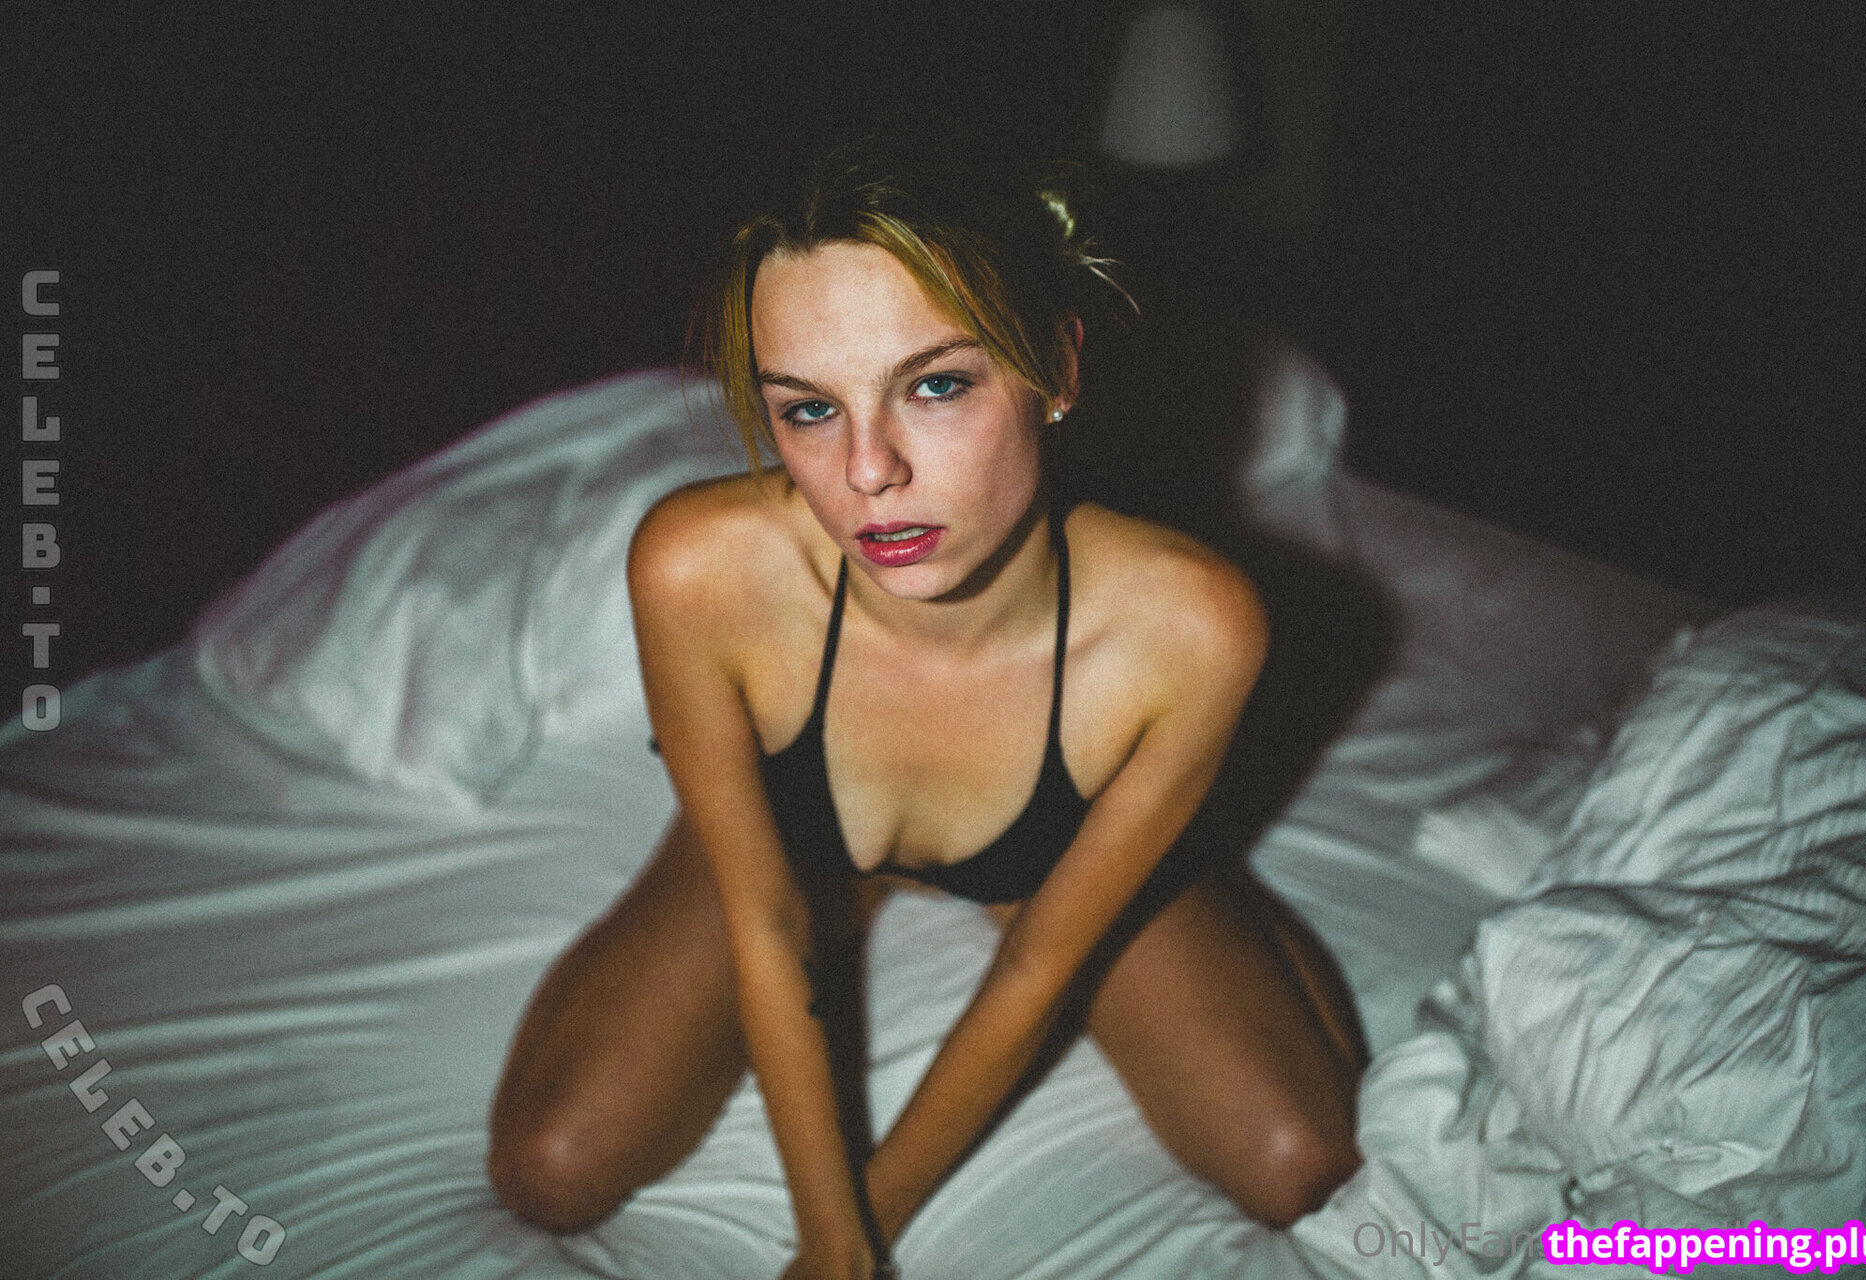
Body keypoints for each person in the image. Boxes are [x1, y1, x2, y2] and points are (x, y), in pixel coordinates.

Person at [486, 136, 1364, 1279]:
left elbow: (1037, 968)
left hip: (1053, 861)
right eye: (808, 409)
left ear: (1057, 367)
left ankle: (1169, 835)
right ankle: (745, 813)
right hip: (797, 846)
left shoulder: (1192, 626)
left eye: (936, 385)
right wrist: (827, 1231)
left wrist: (855, 1236)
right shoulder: (696, 567)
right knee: (549, 1167)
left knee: (1304, 1160)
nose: (868, 471)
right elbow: (767, 924)